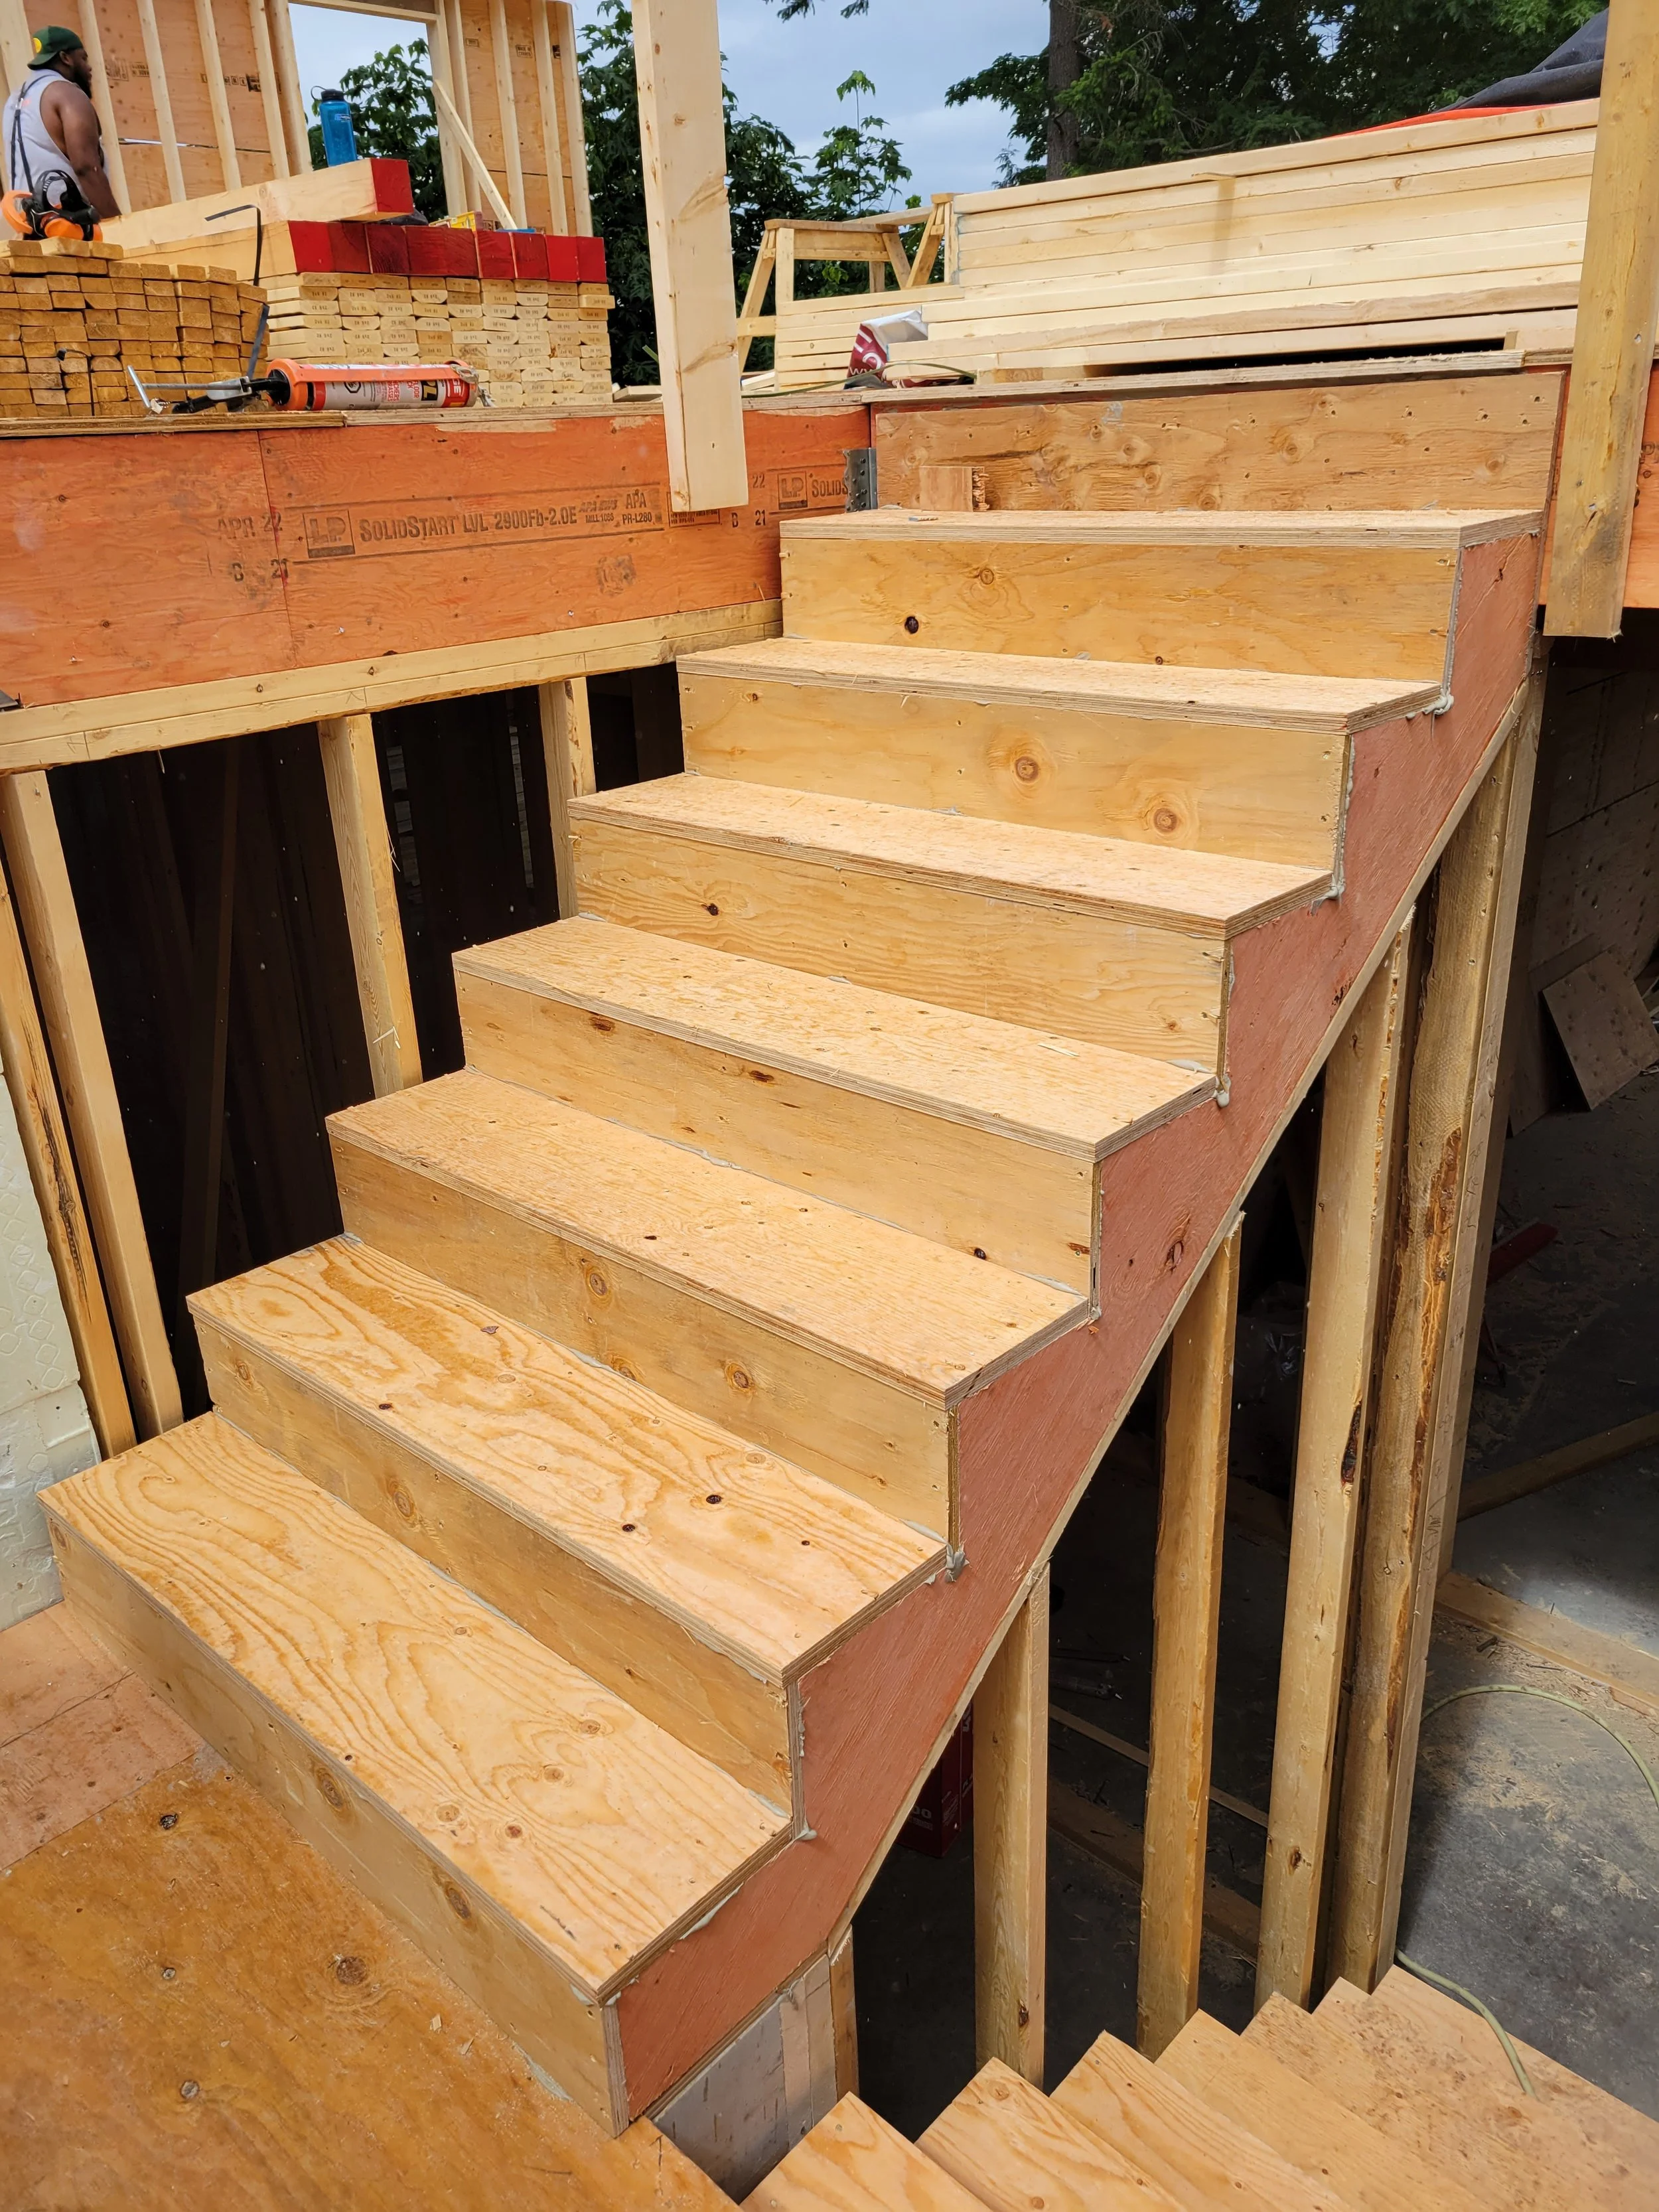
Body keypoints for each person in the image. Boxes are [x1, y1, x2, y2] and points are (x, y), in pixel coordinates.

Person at [2, 25, 120, 225]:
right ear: (66, 58)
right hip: (67, 226)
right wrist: (119, 224)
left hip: (27, 226)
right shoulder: (67, 94)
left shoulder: (14, 101)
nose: (89, 67)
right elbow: (86, 167)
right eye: (83, 58)